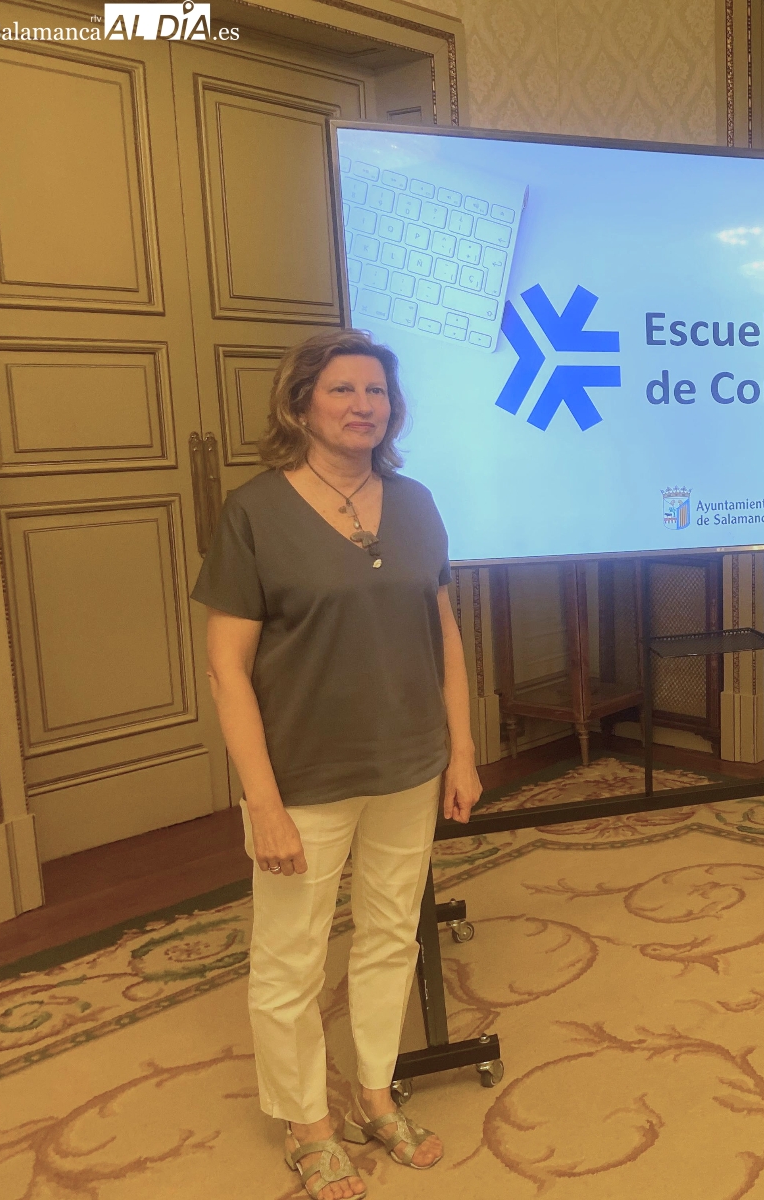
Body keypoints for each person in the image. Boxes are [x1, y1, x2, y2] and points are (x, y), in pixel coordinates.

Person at [194, 329, 482, 1199]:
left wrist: (462, 750)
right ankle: (306, 1125)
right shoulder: (254, 513)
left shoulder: (417, 502)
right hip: (302, 779)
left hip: (409, 763)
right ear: (301, 404)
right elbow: (227, 670)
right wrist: (263, 804)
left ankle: (374, 1095)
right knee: (291, 958)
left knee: (392, 935)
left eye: (377, 391)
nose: (364, 406)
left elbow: (443, 633)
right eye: (343, 390)